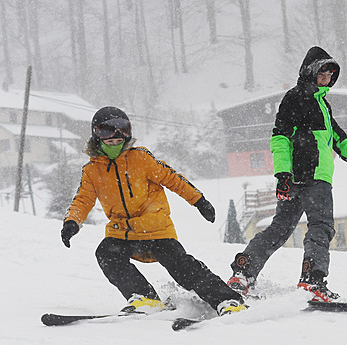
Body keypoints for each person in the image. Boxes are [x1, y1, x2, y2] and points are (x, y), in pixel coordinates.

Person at [61, 106, 246, 316]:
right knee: (106, 253)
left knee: (181, 266)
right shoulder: (92, 170)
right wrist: (72, 222)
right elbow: (83, 199)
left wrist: (199, 201)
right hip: (122, 233)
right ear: (97, 138)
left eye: (119, 138)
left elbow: (173, 179)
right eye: (108, 139)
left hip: (156, 231)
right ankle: (145, 298)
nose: (114, 142)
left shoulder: (140, 159)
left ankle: (228, 300)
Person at [226, 46, 347, 302]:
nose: (326, 79)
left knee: (280, 229)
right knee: (321, 227)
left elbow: (339, 139)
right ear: (311, 72)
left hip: (302, 179)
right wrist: (282, 174)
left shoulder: (323, 105)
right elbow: (280, 138)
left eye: (330, 75)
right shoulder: (295, 98)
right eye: (322, 73)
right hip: (311, 179)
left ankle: (243, 271)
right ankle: (311, 281)